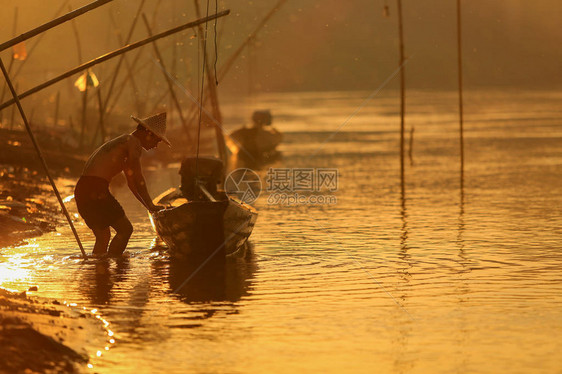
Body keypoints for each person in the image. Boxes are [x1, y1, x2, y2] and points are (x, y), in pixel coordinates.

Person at [74, 112, 171, 257]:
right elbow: (138, 178)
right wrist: (151, 204)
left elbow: (132, 184)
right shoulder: (133, 143)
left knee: (103, 237)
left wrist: (148, 207)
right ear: (148, 133)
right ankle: (115, 267)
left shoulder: (125, 141)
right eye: (156, 140)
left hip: (83, 188)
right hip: (95, 188)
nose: (156, 146)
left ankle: (100, 272)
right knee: (125, 230)